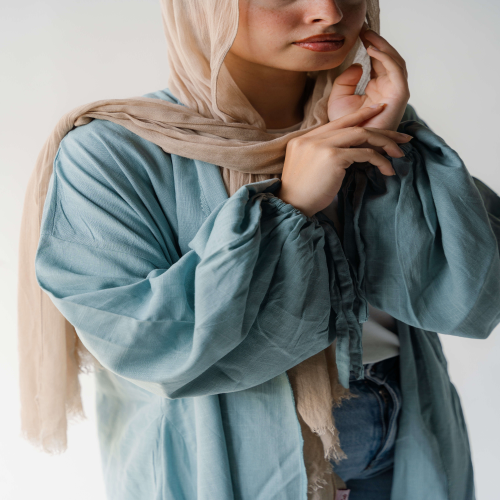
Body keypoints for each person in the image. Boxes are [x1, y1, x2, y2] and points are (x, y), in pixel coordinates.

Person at [17, 1, 500, 499]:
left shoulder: (371, 120)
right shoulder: (113, 152)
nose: (329, 11)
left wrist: (386, 146)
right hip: (231, 451)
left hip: (408, 421)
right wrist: (289, 205)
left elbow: (472, 295)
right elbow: (145, 343)